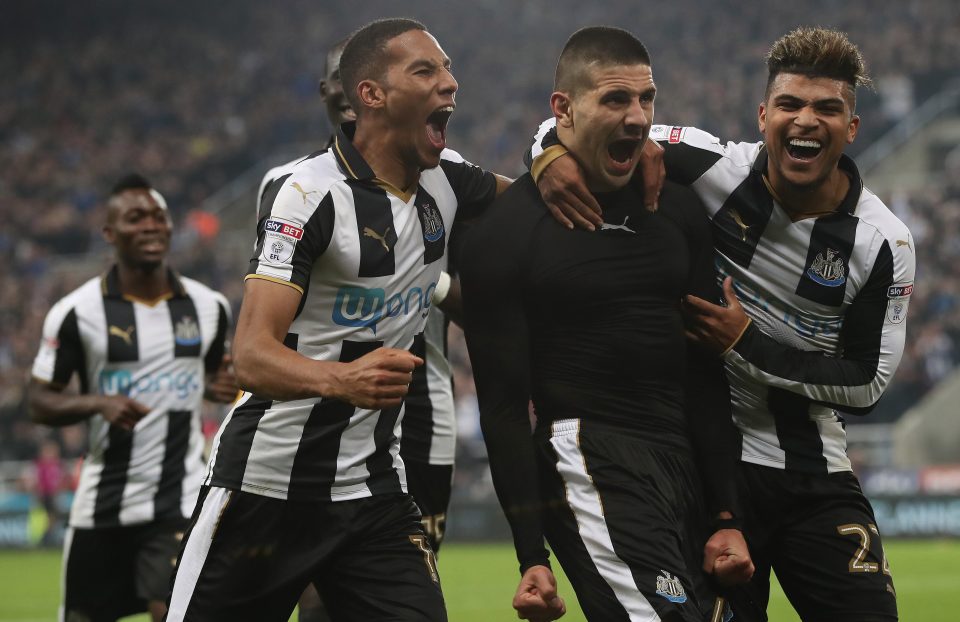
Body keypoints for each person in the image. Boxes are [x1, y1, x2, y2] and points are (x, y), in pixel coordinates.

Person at [531, 26, 913, 622]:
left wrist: (744, 343)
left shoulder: (882, 241)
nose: (806, 120)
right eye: (790, 104)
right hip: (707, 472)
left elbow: (866, 384)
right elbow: (579, 123)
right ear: (763, 115)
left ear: (852, 128)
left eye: (827, 108)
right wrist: (549, 157)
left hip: (814, 474)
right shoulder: (708, 167)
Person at [166, 18, 517, 622]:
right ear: (370, 96)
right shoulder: (307, 194)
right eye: (426, 71)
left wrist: (566, 153)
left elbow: (542, 207)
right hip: (266, 486)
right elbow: (250, 353)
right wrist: (340, 382)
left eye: (449, 69)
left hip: (373, 490)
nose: (451, 84)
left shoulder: (448, 179)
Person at [461, 26, 753, 622]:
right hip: (588, 458)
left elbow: (703, 372)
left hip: (684, 463)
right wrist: (530, 555)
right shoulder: (504, 236)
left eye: (646, 99)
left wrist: (727, 513)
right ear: (563, 110)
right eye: (615, 100)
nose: (637, 117)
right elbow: (504, 407)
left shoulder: (675, 208)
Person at [258, 35, 460, 622]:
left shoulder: (441, 181)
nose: (349, 92)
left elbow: (484, 289)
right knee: (316, 597)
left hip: (420, 418)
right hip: (309, 419)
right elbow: (279, 305)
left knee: (388, 592)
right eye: (338, 80)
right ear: (332, 91)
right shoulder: (291, 186)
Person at [29, 173, 237, 622]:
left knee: (173, 610)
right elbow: (39, 402)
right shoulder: (76, 313)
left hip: (177, 498)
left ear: (169, 228)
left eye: (158, 217)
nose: (149, 226)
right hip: (103, 502)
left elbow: (213, 376)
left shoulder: (208, 307)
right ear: (110, 233)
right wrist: (96, 403)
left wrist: (216, 384)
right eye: (135, 217)